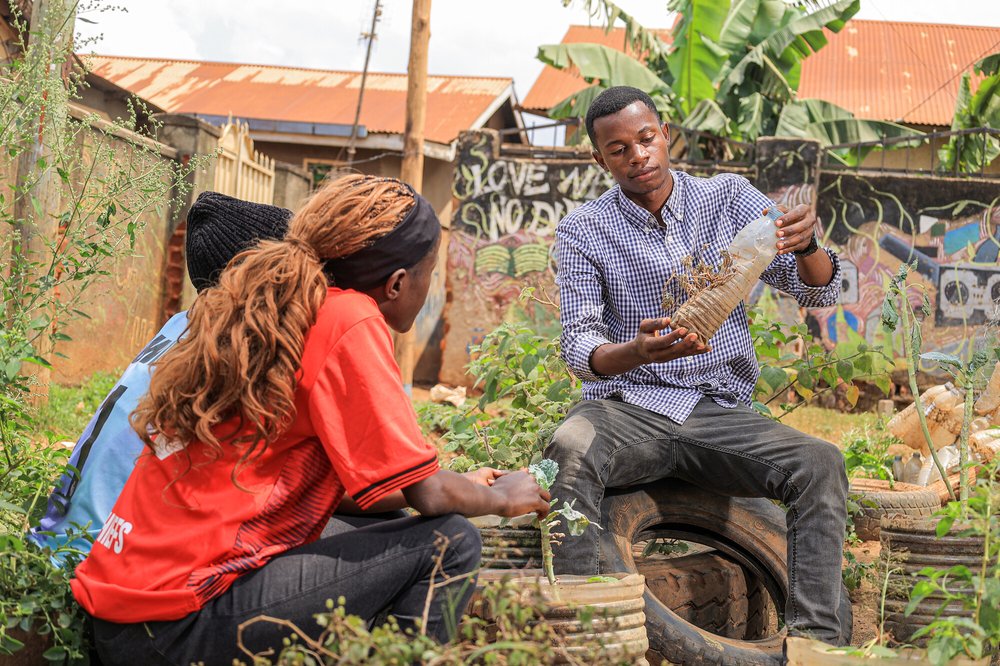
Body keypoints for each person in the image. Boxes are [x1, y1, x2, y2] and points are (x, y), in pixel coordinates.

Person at [71, 175, 551, 666]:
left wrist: (456, 482)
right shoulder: (350, 319)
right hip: (176, 625)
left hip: (124, 609)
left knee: (384, 518)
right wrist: (500, 496)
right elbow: (427, 493)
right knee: (452, 542)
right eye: (432, 273)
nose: (430, 289)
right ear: (399, 282)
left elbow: (385, 486)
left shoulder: (278, 303)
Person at [545, 86, 851, 647]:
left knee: (819, 462)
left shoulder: (730, 199)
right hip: (631, 410)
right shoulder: (583, 228)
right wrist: (635, 351)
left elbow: (817, 289)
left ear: (665, 135)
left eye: (645, 138)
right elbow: (579, 343)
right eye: (618, 150)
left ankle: (817, 647)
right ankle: (588, 640)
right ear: (599, 159)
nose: (637, 155)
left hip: (719, 413)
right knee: (569, 448)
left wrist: (807, 246)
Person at [30, 192, 295, 557]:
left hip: (60, 544)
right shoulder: (229, 346)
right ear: (256, 276)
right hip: (102, 557)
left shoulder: (181, 325)